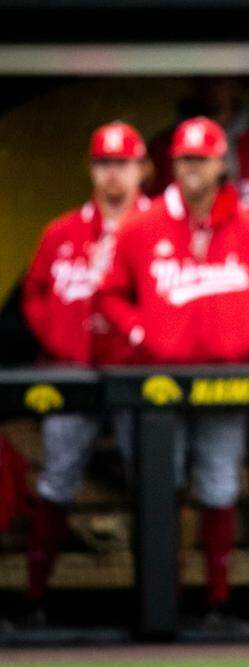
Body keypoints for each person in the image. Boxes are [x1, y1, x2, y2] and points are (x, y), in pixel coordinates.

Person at [101, 116, 249, 625]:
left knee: (220, 485)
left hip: (225, 379)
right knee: (165, 486)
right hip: (162, 382)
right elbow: (112, 293)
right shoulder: (144, 224)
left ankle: (217, 602)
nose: (192, 168)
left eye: (202, 158)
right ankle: (166, 600)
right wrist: (141, 333)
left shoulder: (247, 224)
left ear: (221, 162)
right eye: (184, 159)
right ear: (171, 163)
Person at [20, 122, 150, 622]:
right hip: (72, 372)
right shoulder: (63, 230)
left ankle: (158, 602)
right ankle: (32, 598)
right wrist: (57, 338)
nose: (112, 174)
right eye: (103, 163)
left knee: (157, 481)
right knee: (56, 480)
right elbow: (33, 295)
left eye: (122, 163)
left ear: (141, 168)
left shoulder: (157, 226)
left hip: (137, 375)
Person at [149, 78, 249, 226]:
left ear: (235, 82)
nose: (213, 88)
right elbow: (148, 211)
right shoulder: (164, 147)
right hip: (185, 254)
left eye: (220, 80)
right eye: (206, 80)